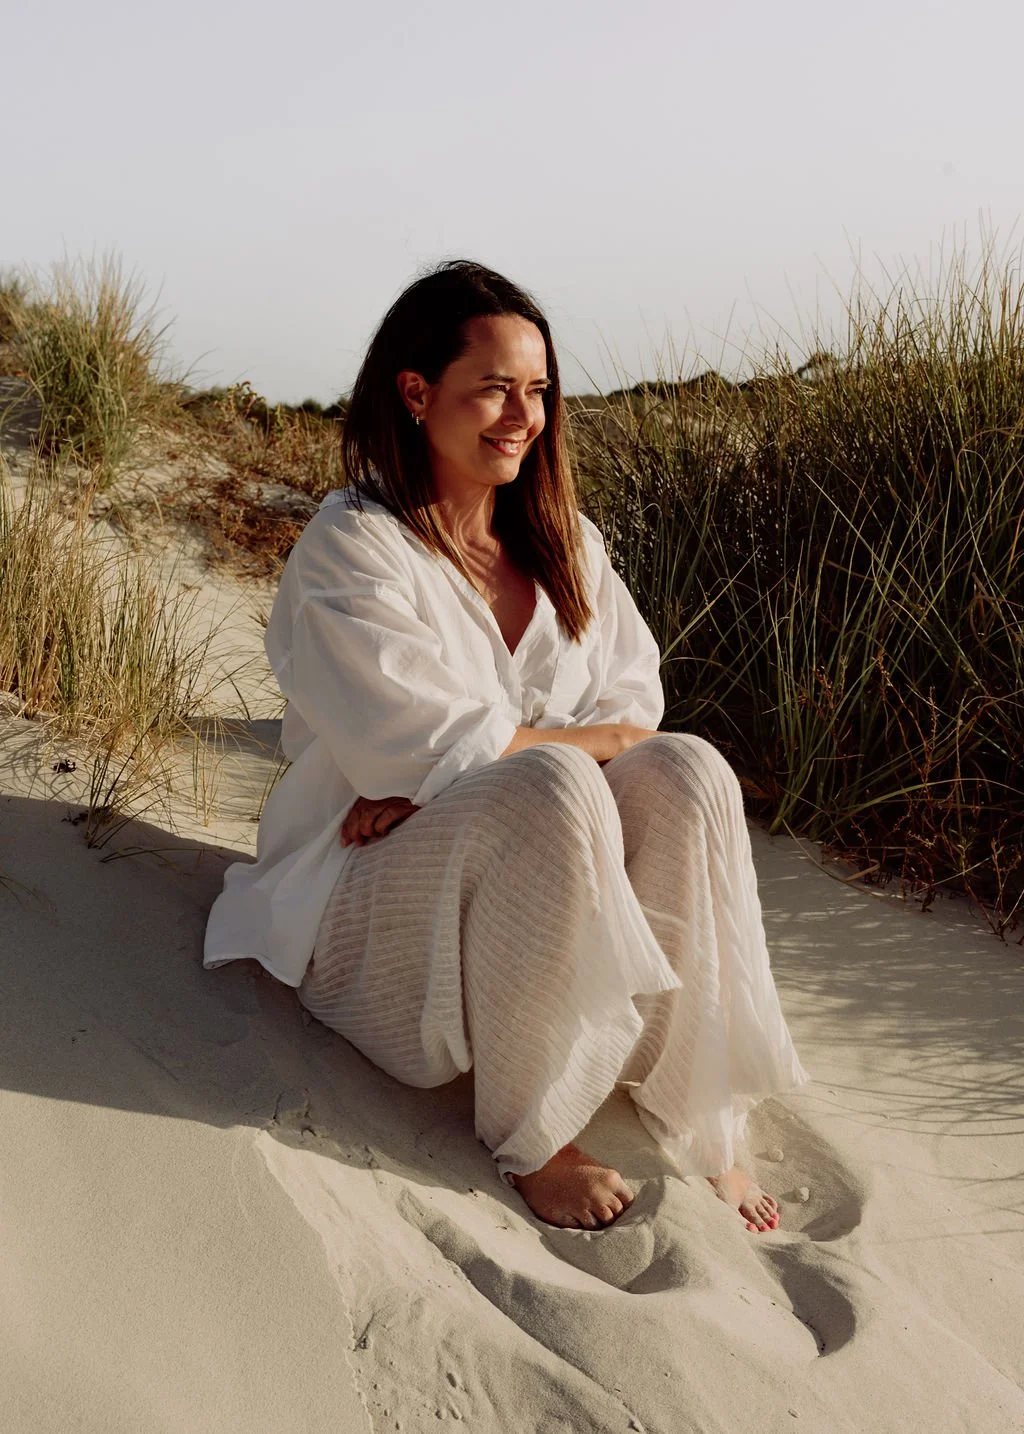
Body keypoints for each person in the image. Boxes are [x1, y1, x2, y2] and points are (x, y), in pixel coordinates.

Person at [203, 259, 811, 1233]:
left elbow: (631, 714)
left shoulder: (569, 542)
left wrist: (468, 773)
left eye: (535, 390)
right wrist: (488, 771)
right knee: (554, 784)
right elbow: (419, 742)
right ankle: (536, 1139)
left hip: (516, 873)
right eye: (491, 387)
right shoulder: (353, 547)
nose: (520, 414)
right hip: (362, 903)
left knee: (688, 770)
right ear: (415, 393)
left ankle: (702, 1118)